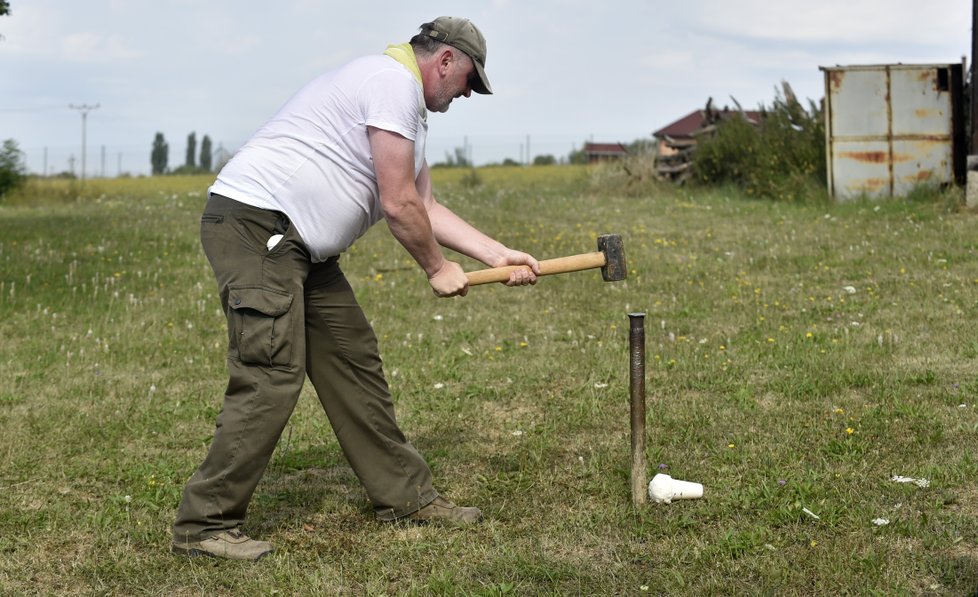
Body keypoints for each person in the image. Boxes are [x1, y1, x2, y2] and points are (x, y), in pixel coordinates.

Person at [171, 16, 540, 561]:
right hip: (259, 228)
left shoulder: (403, 106)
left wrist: (496, 254)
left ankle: (406, 497)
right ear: (444, 61)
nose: (467, 93)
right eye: (467, 81)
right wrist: (438, 269)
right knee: (272, 368)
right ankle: (204, 525)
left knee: (351, 356)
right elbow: (397, 203)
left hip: (301, 247)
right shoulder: (390, 84)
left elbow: (426, 206)